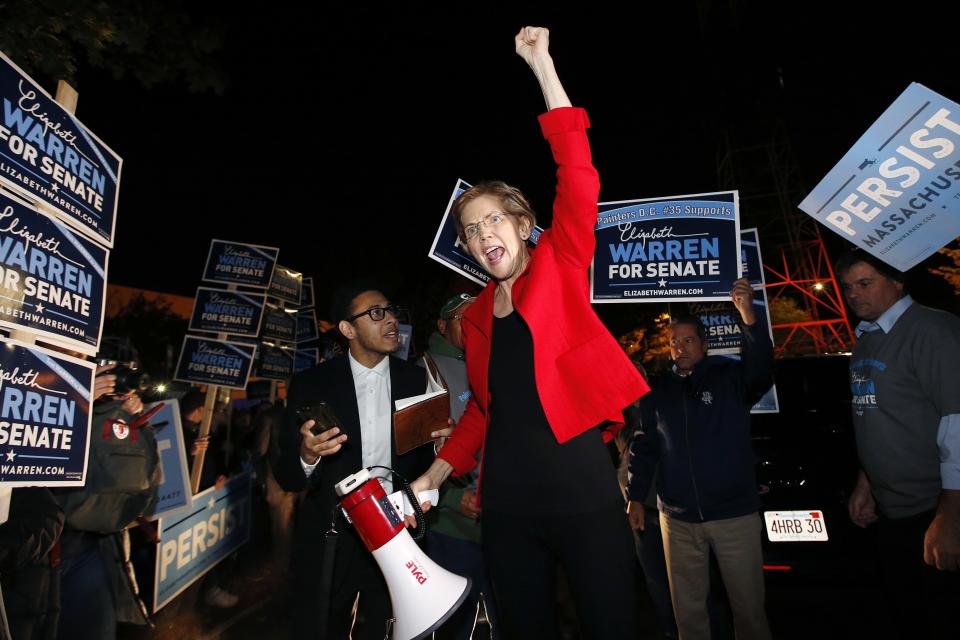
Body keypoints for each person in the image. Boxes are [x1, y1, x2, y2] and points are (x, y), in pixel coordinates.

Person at [411, 27, 648, 639]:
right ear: (466, 246)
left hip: (583, 495)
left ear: (521, 226)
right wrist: (432, 478)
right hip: (507, 509)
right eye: (472, 228)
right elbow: (485, 413)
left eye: (495, 218)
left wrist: (543, 67)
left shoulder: (560, 264)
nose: (485, 232)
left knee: (610, 625)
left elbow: (579, 169)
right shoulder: (472, 316)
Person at [273, 280, 438, 640]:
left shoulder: (416, 380)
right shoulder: (311, 385)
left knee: (391, 629)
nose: (390, 319)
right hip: (332, 537)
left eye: (391, 311)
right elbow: (287, 475)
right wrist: (307, 454)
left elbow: (426, 463)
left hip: (399, 534)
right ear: (348, 329)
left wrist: (441, 444)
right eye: (376, 313)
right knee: (321, 628)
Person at [628, 280, 773, 640]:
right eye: (674, 341)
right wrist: (635, 495)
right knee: (688, 616)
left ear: (704, 345)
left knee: (749, 612)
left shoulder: (729, 378)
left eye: (688, 340)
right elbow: (645, 446)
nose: (680, 347)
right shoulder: (657, 391)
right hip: (677, 521)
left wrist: (747, 316)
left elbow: (762, 369)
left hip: (733, 516)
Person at [837, 250, 960, 639]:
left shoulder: (932, 330)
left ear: (898, 281)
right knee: (908, 617)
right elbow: (874, 415)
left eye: (865, 283)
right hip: (893, 514)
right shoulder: (866, 340)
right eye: (847, 287)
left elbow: (956, 424)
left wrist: (951, 519)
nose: (854, 295)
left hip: (935, 510)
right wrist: (865, 483)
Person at [420, 293, 499, 639]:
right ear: (442, 325)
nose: (471, 326)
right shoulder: (425, 372)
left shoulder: (495, 362)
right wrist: (453, 500)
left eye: (477, 317)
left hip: (501, 518)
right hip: (453, 526)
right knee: (456, 621)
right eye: (460, 319)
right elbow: (412, 452)